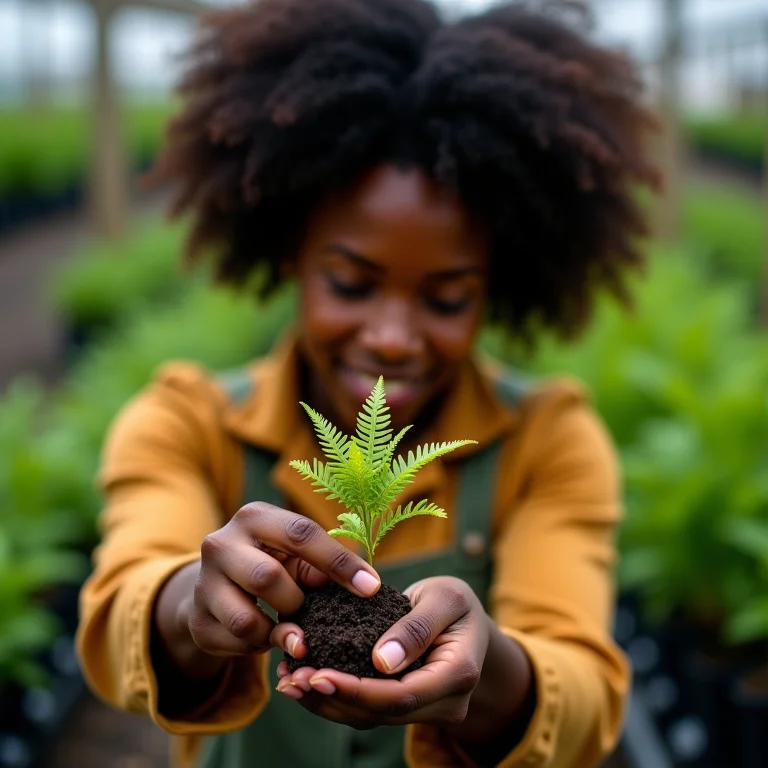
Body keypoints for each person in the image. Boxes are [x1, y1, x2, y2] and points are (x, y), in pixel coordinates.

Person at [76, 1, 661, 766]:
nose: (390, 337)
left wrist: (490, 672)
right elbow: (121, 610)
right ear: (292, 254)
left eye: (446, 298)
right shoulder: (186, 420)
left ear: (495, 287)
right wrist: (189, 604)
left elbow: (583, 694)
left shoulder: (550, 439)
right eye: (351, 284)